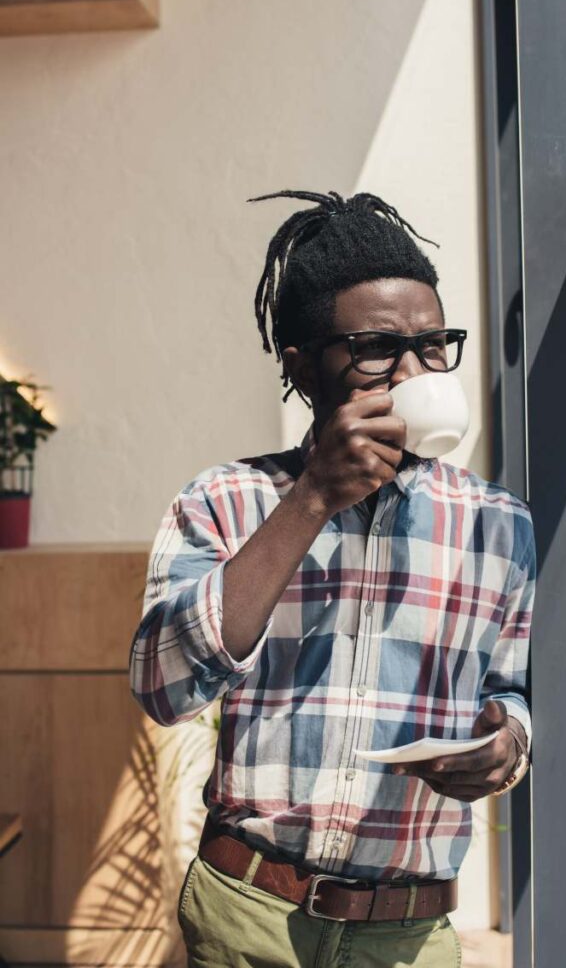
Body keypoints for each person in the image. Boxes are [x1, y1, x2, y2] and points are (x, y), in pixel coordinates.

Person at [129, 189, 535, 968]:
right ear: (302, 365)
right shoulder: (223, 500)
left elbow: (513, 693)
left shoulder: (498, 524)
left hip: (409, 934)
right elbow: (162, 686)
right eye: (377, 347)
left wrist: (504, 744)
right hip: (249, 911)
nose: (413, 372)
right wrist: (310, 498)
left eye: (433, 345)